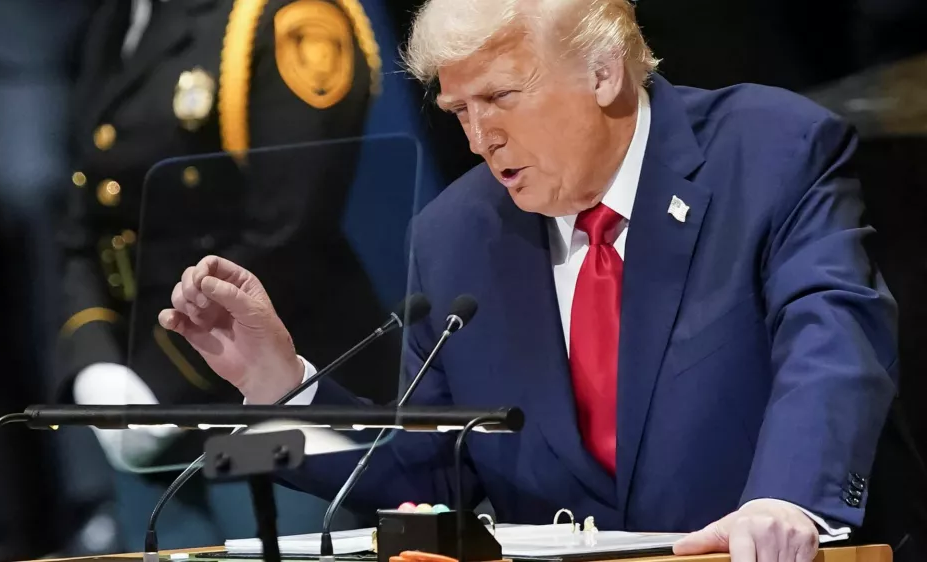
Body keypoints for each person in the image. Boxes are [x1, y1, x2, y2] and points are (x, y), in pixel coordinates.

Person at [159, 0, 926, 559]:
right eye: (460, 109)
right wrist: (281, 385)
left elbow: (834, 338)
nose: (480, 137)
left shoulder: (769, 151)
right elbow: (428, 469)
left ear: (603, 72)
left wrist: (786, 497)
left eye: (501, 96)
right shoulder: (457, 233)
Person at [55, 0, 395, 549]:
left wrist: (155, 384)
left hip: (274, 407)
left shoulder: (289, 15)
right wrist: (94, 363)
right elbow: (85, 220)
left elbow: (289, 230)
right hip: (146, 417)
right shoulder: (117, 20)